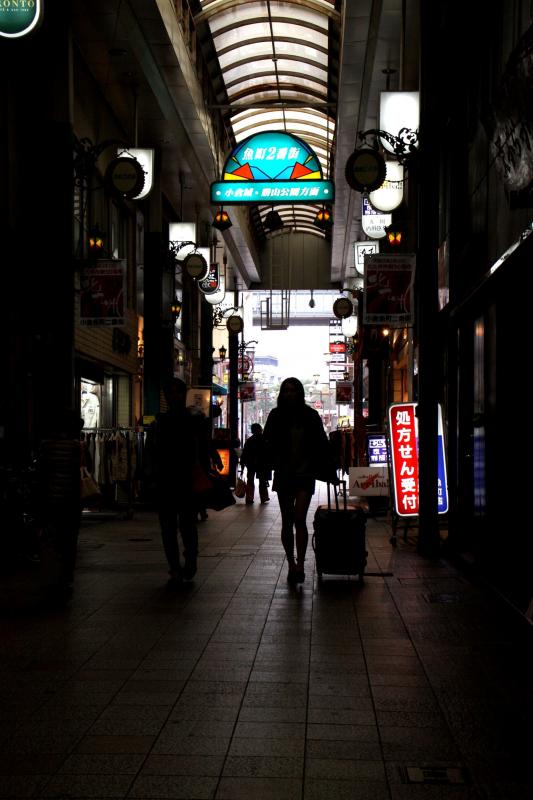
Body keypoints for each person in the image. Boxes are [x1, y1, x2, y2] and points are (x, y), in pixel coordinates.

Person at [262, 377, 338, 584]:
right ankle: (291, 564)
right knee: (287, 520)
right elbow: (267, 443)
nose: (289, 394)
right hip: (284, 473)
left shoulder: (310, 416)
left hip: (305, 473)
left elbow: (321, 444)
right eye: (286, 390)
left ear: (300, 393)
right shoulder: (276, 416)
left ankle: (301, 563)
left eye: (293, 390)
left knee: (299, 518)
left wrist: (331, 469)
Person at [154, 377, 212, 584]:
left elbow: (203, 447)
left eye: (177, 392)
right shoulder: (162, 421)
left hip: (184, 479)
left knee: (185, 524)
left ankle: (187, 561)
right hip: (169, 479)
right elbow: (155, 453)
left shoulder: (192, 419)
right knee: (172, 525)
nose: (173, 396)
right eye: (169, 393)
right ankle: (176, 566)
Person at [37, 409, 84, 600]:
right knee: (69, 542)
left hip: (51, 501)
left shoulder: (47, 446)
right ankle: (67, 577)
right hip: (71, 502)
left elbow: (42, 475)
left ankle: (53, 577)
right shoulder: (76, 447)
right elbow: (80, 473)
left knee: (52, 540)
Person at [240, 423, 271, 505]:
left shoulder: (249, 440)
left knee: (250, 480)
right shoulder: (265, 440)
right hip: (262, 463)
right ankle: (263, 497)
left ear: (252, 430)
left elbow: (244, 453)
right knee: (262, 481)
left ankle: (249, 498)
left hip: (251, 463)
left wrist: (242, 464)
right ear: (260, 429)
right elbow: (268, 453)